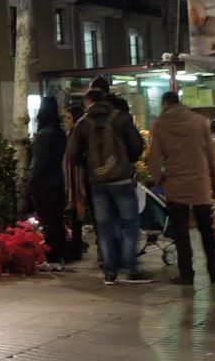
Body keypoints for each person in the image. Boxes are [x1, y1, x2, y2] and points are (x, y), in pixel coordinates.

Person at [66, 88, 150, 285]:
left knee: (104, 227)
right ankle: (131, 269)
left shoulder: (82, 123)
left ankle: (110, 272)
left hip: (98, 183)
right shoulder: (120, 118)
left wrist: (89, 166)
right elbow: (137, 145)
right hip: (121, 180)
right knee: (129, 224)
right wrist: (125, 162)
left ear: (89, 102)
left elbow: (72, 152)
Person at [148, 92, 215, 285]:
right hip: (200, 185)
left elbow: (154, 158)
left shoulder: (159, 125)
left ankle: (186, 274)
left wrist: (158, 179)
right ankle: (214, 273)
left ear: (165, 103)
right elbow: (212, 156)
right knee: (206, 231)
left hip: (175, 186)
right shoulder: (200, 122)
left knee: (181, 233)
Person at [28, 96, 67, 271]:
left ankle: (52, 258)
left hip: (44, 184)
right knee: (57, 221)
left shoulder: (44, 135)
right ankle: (59, 257)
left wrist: (31, 182)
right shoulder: (59, 132)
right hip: (57, 180)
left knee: (48, 222)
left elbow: (39, 162)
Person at [64, 105, 87, 262]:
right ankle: (76, 244)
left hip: (79, 178)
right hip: (71, 179)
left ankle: (77, 246)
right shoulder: (68, 134)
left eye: (69, 118)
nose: (67, 121)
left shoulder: (79, 135)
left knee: (78, 212)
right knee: (74, 215)